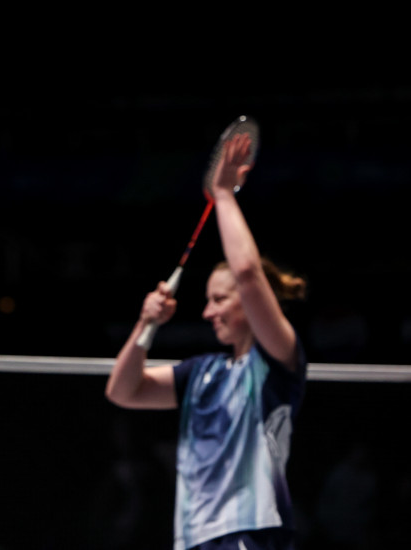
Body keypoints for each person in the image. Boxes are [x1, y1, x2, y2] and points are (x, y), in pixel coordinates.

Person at [105, 132, 308, 550]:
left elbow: (247, 275)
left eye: (219, 300)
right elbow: (123, 391)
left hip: (250, 531)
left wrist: (224, 195)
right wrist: (145, 326)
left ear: (248, 304)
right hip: (195, 536)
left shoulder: (276, 363)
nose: (207, 312)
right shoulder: (202, 373)